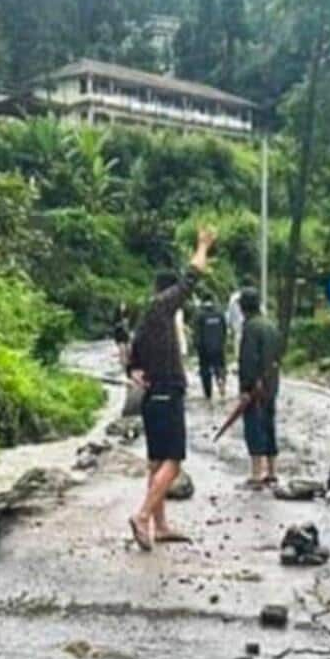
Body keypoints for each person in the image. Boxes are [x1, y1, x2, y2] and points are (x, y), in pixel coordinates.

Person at [126, 225, 217, 550]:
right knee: (174, 461)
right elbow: (191, 277)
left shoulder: (144, 318)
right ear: (168, 293)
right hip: (167, 393)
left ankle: (160, 526)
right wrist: (203, 245)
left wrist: (134, 371)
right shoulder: (163, 308)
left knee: (155, 462)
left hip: (153, 396)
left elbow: (132, 359)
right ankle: (143, 516)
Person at [236, 288, 283, 489]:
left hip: (256, 387)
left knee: (254, 427)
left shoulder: (250, 327)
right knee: (269, 425)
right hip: (272, 384)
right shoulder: (271, 325)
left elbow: (248, 359)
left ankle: (256, 474)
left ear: (242, 307)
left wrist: (246, 388)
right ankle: (272, 471)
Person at [194, 297, 230, 401]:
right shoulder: (220, 313)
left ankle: (208, 394)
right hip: (218, 347)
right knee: (220, 367)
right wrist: (223, 343)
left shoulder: (200, 314)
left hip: (204, 348)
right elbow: (224, 330)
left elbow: (197, 333)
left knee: (205, 371)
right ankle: (221, 380)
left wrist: (197, 346)